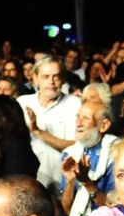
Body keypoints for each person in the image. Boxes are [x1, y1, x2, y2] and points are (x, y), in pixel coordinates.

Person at [18, 59, 81, 192]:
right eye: (45, 77)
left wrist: (37, 131)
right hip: (27, 185)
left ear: (63, 79)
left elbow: (76, 147)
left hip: (62, 185)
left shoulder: (76, 105)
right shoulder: (22, 102)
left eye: (56, 77)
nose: (51, 82)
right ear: (35, 79)